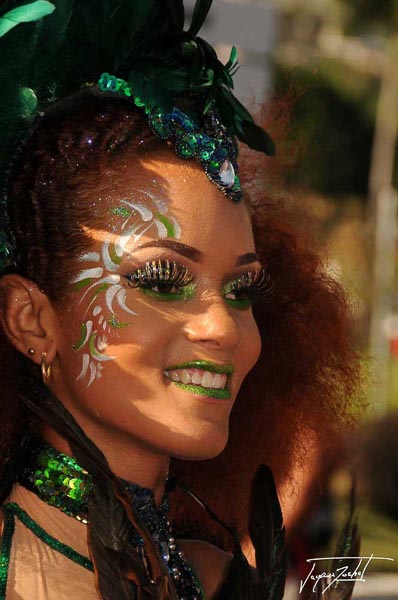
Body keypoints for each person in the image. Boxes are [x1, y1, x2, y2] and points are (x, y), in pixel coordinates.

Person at [0, 1, 363, 598]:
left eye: (242, 289)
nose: (224, 328)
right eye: (164, 280)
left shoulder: (217, 579)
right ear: (32, 319)